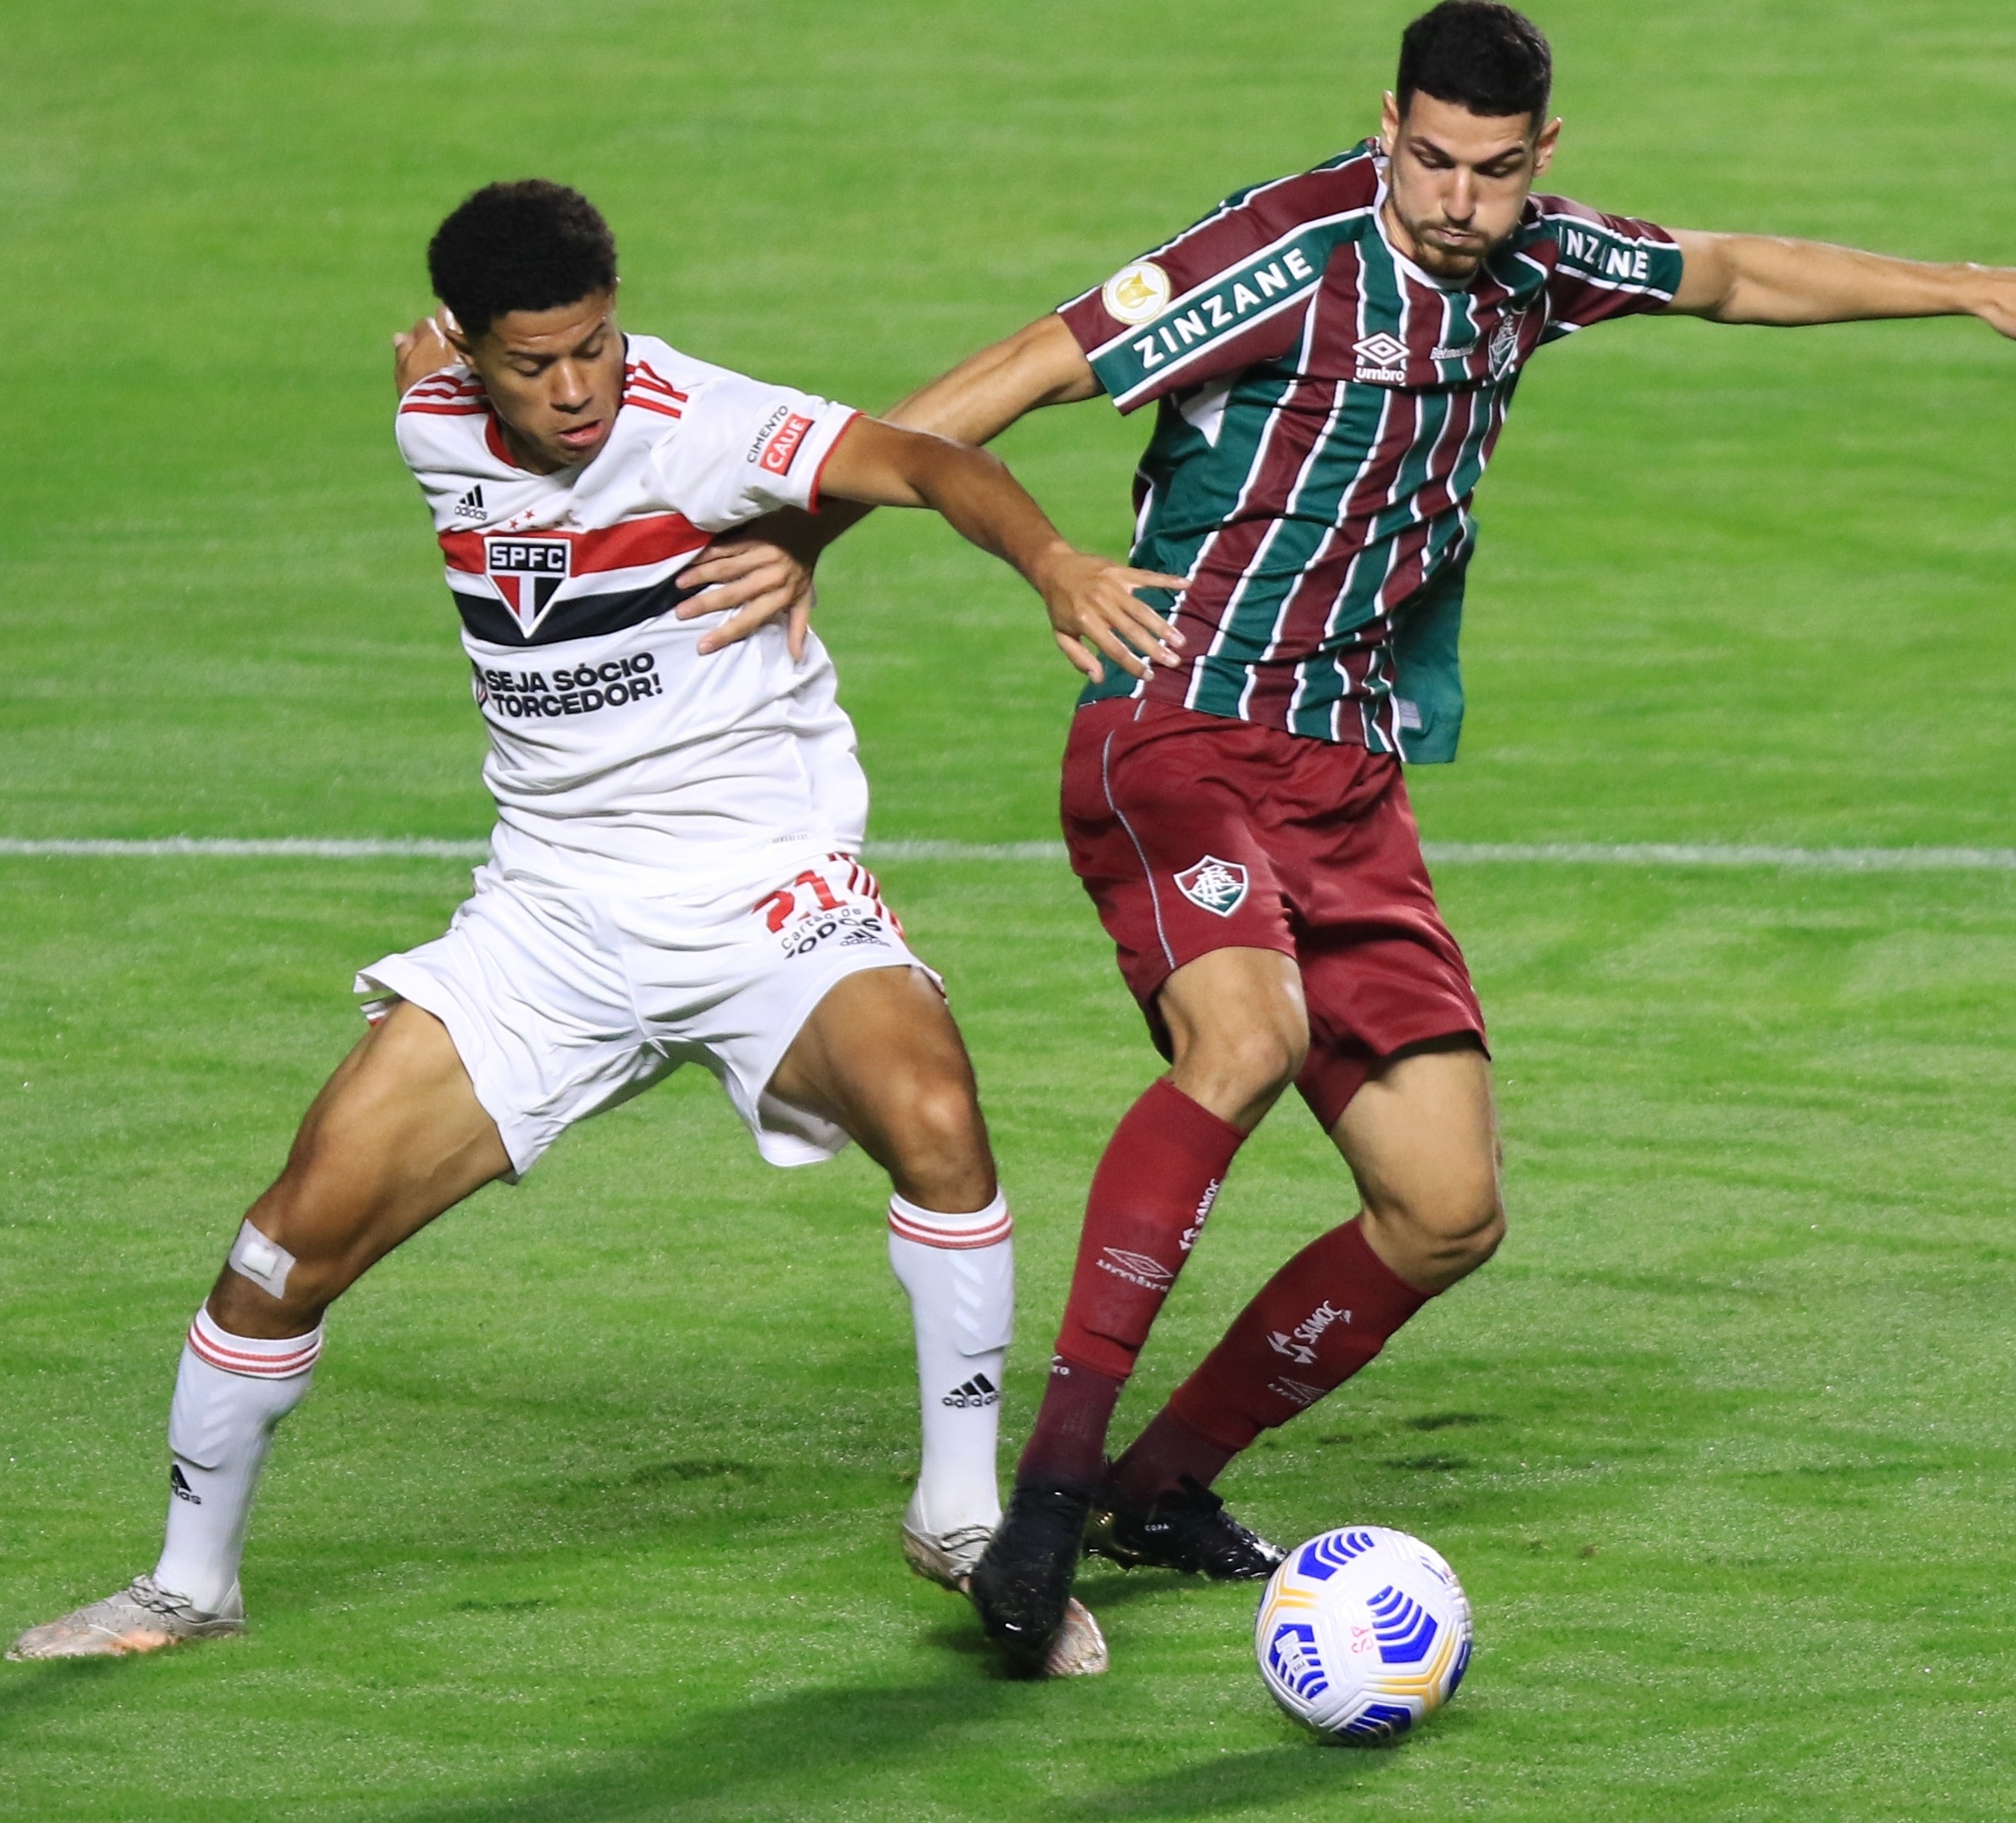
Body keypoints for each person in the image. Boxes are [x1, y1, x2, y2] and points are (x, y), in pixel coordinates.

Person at [669, 0, 2016, 1673]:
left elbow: (1735, 271)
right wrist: (811, 531)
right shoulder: (1281, 256)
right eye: (1433, 161)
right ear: (1386, 124)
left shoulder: (1537, 262)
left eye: (1496, 172)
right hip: (1175, 727)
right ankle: (1040, 1499)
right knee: (1245, 1036)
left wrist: (1965, 286)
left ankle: (1162, 1486)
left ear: (1542, 159)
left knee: (1445, 1206)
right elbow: (1010, 377)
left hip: (1346, 778)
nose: (1459, 201)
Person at [7, 179, 1188, 1672]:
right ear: (470, 353)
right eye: (533, 363)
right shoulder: (431, 417)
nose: (575, 390)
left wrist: (1049, 562)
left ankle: (957, 1517)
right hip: (550, 918)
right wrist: (439, 377)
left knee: (937, 1113)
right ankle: (187, 1582)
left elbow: (926, 459)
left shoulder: (696, 418)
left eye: (595, 348)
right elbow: (431, 392)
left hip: (763, 888)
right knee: (285, 1239)